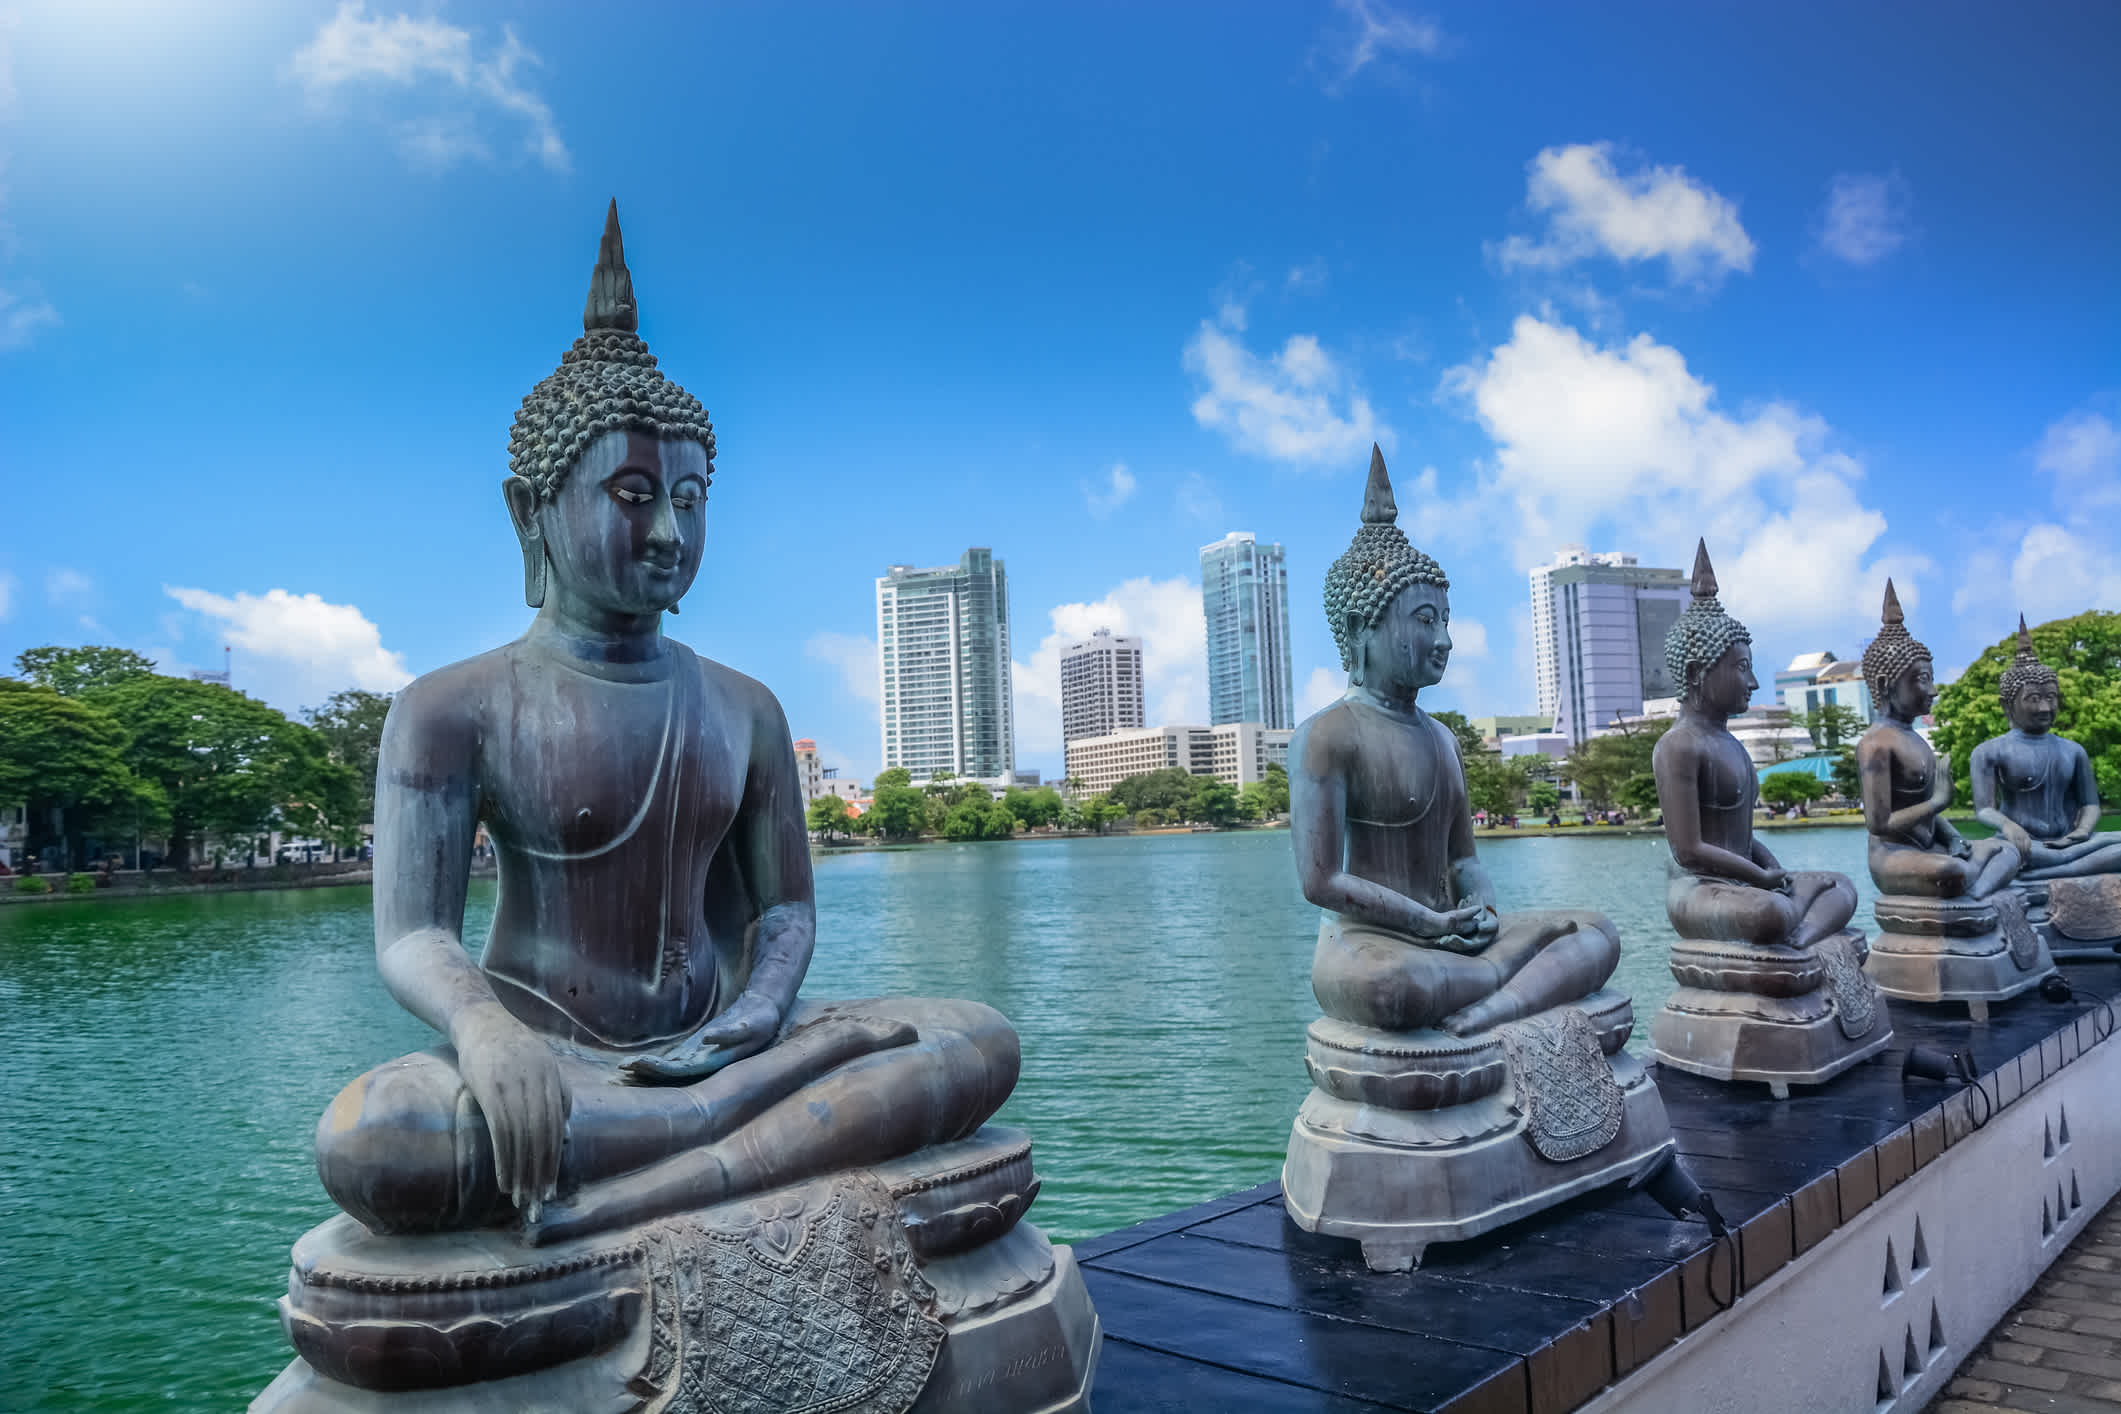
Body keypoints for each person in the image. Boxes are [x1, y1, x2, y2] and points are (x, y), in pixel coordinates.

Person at [311, 205, 1020, 1246]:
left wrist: (761, 1013)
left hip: (723, 1052)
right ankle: (730, 1156)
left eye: (690, 499)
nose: (670, 533)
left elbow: (784, 915)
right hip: (547, 1061)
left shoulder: (745, 706)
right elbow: (415, 932)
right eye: (634, 494)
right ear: (531, 512)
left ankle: (660, 1173)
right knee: (384, 1137)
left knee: (976, 1041)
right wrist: (484, 1028)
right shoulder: (450, 706)